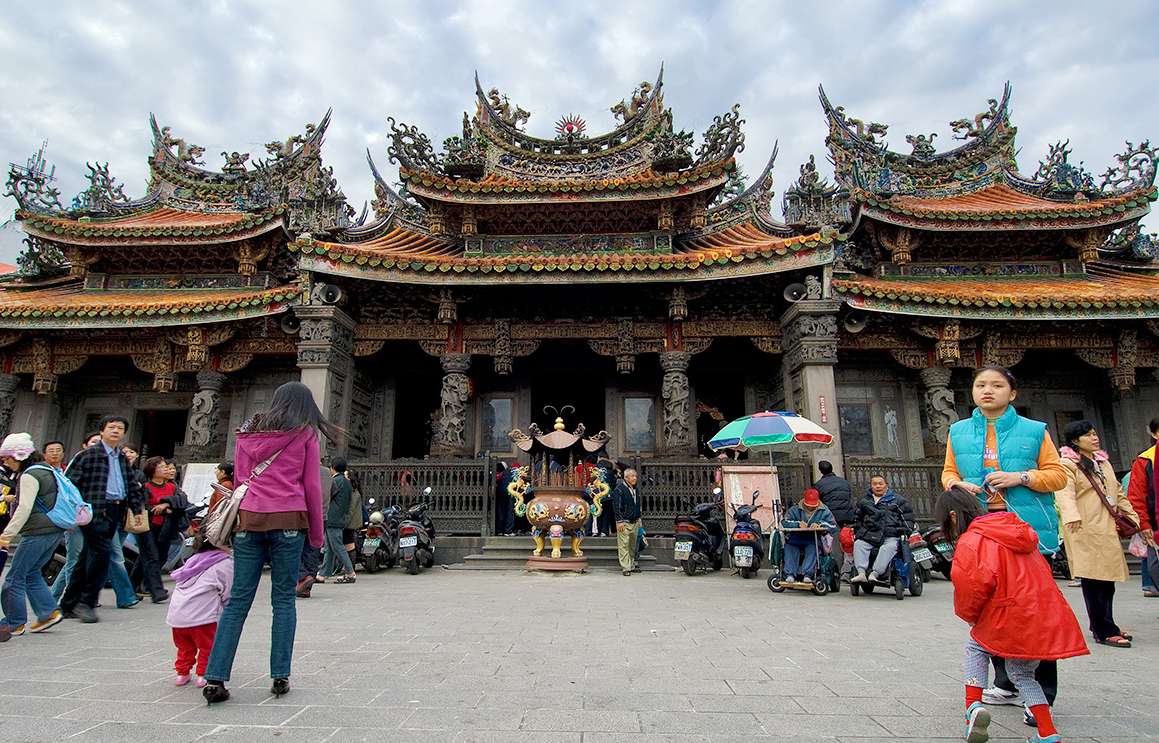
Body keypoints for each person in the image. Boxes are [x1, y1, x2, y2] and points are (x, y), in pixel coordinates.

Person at [942, 365, 1068, 716]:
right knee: (990, 609)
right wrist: (957, 485)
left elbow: (1058, 475)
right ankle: (1007, 682)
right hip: (981, 529)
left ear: (1012, 393)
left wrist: (1021, 476)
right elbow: (948, 472)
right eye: (981, 385)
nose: (987, 391)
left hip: (1025, 532)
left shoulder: (1034, 431)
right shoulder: (959, 431)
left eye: (997, 385)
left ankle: (1042, 694)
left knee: (1033, 613)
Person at [202, 381, 339, 705]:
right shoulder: (304, 434)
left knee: (237, 602)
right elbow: (311, 488)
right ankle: (280, 675)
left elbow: (238, 483)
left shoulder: (246, 435)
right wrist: (317, 538)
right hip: (289, 521)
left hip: (249, 521)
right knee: (283, 601)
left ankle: (215, 677)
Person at [937, 487, 1086, 743]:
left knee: (976, 646)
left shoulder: (973, 540)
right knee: (1023, 674)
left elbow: (971, 585)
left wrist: (970, 616)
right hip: (1042, 612)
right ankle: (1047, 732)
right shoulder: (1017, 530)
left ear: (953, 516)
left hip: (1009, 613)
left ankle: (973, 707)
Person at [1056, 421, 1140, 648]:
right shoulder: (1067, 463)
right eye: (1088, 435)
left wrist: (1132, 516)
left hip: (1106, 528)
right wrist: (1071, 516)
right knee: (1094, 581)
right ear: (1075, 441)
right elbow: (1064, 492)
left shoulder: (1102, 462)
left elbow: (1117, 492)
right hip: (1084, 528)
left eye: (1094, 433)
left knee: (1107, 582)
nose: (1094, 438)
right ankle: (1104, 630)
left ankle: (1105, 623)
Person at [60, 415, 146, 624]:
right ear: (102, 431)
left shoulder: (122, 458)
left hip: (115, 510)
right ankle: (87, 602)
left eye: (120, 428)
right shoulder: (88, 455)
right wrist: (77, 508)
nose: (116, 431)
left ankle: (68, 603)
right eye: (111, 427)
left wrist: (137, 508)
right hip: (94, 511)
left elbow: (131, 485)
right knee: (102, 554)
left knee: (87, 556)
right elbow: (69, 486)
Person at [0, 433, 66, 642]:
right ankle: (48, 613)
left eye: (7, 458)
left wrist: (7, 534)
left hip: (37, 531)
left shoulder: (29, 475)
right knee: (32, 573)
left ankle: (14, 622)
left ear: (17, 457)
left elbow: (24, 507)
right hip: (54, 528)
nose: (5, 463)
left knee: (13, 578)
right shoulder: (47, 469)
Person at [166, 535, 233, 688]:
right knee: (208, 646)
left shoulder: (192, 561)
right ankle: (203, 674)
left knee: (184, 646)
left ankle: (182, 673)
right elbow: (228, 590)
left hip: (177, 616)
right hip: (202, 617)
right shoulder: (223, 563)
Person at [50, 433, 102, 601]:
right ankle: (73, 598)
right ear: (84, 445)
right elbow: (68, 491)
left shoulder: (104, 464)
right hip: (77, 516)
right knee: (75, 559)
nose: (98, 445)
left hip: (92, 517)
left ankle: (54, 596)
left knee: (76, 559)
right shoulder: (80, 460)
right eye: (94, 442)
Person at [850, 475, 914, 584]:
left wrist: (904, 529)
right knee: (859, 544)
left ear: (886, 485)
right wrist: (859, 530)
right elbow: (857, 519)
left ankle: (875, 573)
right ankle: (861, 573)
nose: (877, 486)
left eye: (880, 484)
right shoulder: (864, 501)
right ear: (871, 486)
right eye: (874, 484)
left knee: (887, 548)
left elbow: (908, 518)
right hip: (870, 534)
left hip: (890, 536)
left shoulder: (898, 501)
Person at [133, 456, 175, 604]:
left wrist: (165, 505)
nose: (166, 469)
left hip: (165, 527)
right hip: (147, 526)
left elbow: (180, 501)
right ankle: (156, 591)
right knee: (151, 557)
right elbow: (142, 506)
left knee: (155, 556)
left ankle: (132, 586)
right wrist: (159, 509)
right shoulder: (145, 487)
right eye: (162, 467)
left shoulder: (171, 486)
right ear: (153, 470)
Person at [1125, 417, 1159, 597]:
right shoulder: (1145, 460)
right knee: (1155, 567)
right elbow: (1136, 496)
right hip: (1156, 525)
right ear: (1154, 434)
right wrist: (1144, 524)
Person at [780, 488, 836, 583]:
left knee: (813, 548)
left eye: (813, 506)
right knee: (789, 547)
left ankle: (808, 574)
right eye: (808, 506)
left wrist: (820, 525)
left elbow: (833, 525)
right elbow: (785, 522)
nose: (811, 508)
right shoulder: (795, 509)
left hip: (812, 538)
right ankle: (790, 574)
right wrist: (797, 524)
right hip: (795, 537)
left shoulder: (824, 510)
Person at [319, 457, 356, 583]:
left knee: (338, 546)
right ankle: (323, 573)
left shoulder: (335, 481)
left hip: (332, 518)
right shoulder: (347, 482)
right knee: (330, 548)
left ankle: (350, 573)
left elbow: (326, 496)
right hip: (340, 517)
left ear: (332, 468)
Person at [611, 468, 641, 576]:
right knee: (623, 544)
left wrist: (639, 518)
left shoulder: (635, 489)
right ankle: (626, 567)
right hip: (624, 522)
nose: (635, 478)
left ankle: (631, 564)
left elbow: (637, 505)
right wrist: (619, 521)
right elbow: (616, 507)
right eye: (632, 476)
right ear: (626, 477)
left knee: (632, 545)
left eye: (635, 476)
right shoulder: (619, 490)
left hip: (635, 521)